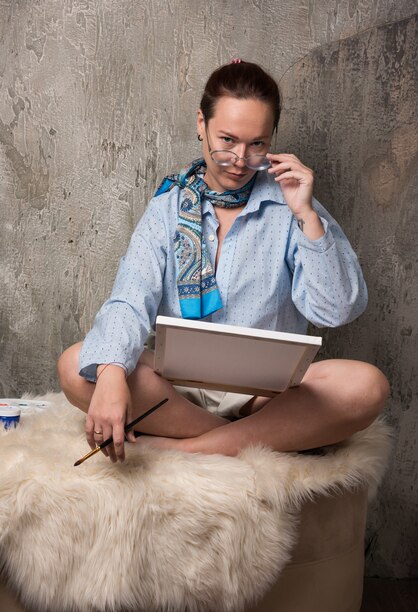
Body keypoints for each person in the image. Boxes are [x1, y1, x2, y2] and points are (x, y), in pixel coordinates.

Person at [58, 60, 389, 463]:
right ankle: (248, 441)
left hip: (266, 398)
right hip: (174, 393)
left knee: (366, 386)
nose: (240, 159)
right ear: (202, 123)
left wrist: (306, 215)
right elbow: (129, 299)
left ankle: (190, 447)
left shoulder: (293, 205)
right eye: (227, 139)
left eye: (257, 145)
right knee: (78, 364)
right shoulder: (166, 209)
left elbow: (336, 310)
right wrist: (111, 377)